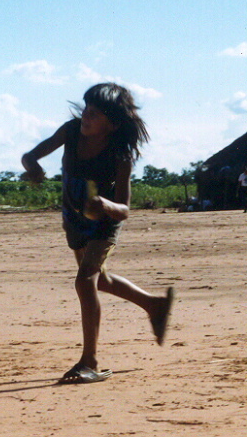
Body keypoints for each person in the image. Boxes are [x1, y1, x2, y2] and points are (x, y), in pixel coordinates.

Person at [22, 83, 174, 384]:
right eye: (86, 110)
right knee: (99, 280)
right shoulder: (70, 131)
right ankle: (153, 304)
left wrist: (104, 204)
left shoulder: (120, 156)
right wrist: (34, 168)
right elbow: (30, 155)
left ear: (112, 124)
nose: (86, 117)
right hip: (74, 220)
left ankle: (89, 361)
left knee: (85, 279)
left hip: (104, 222)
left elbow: (125, 209)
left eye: (94, 114)